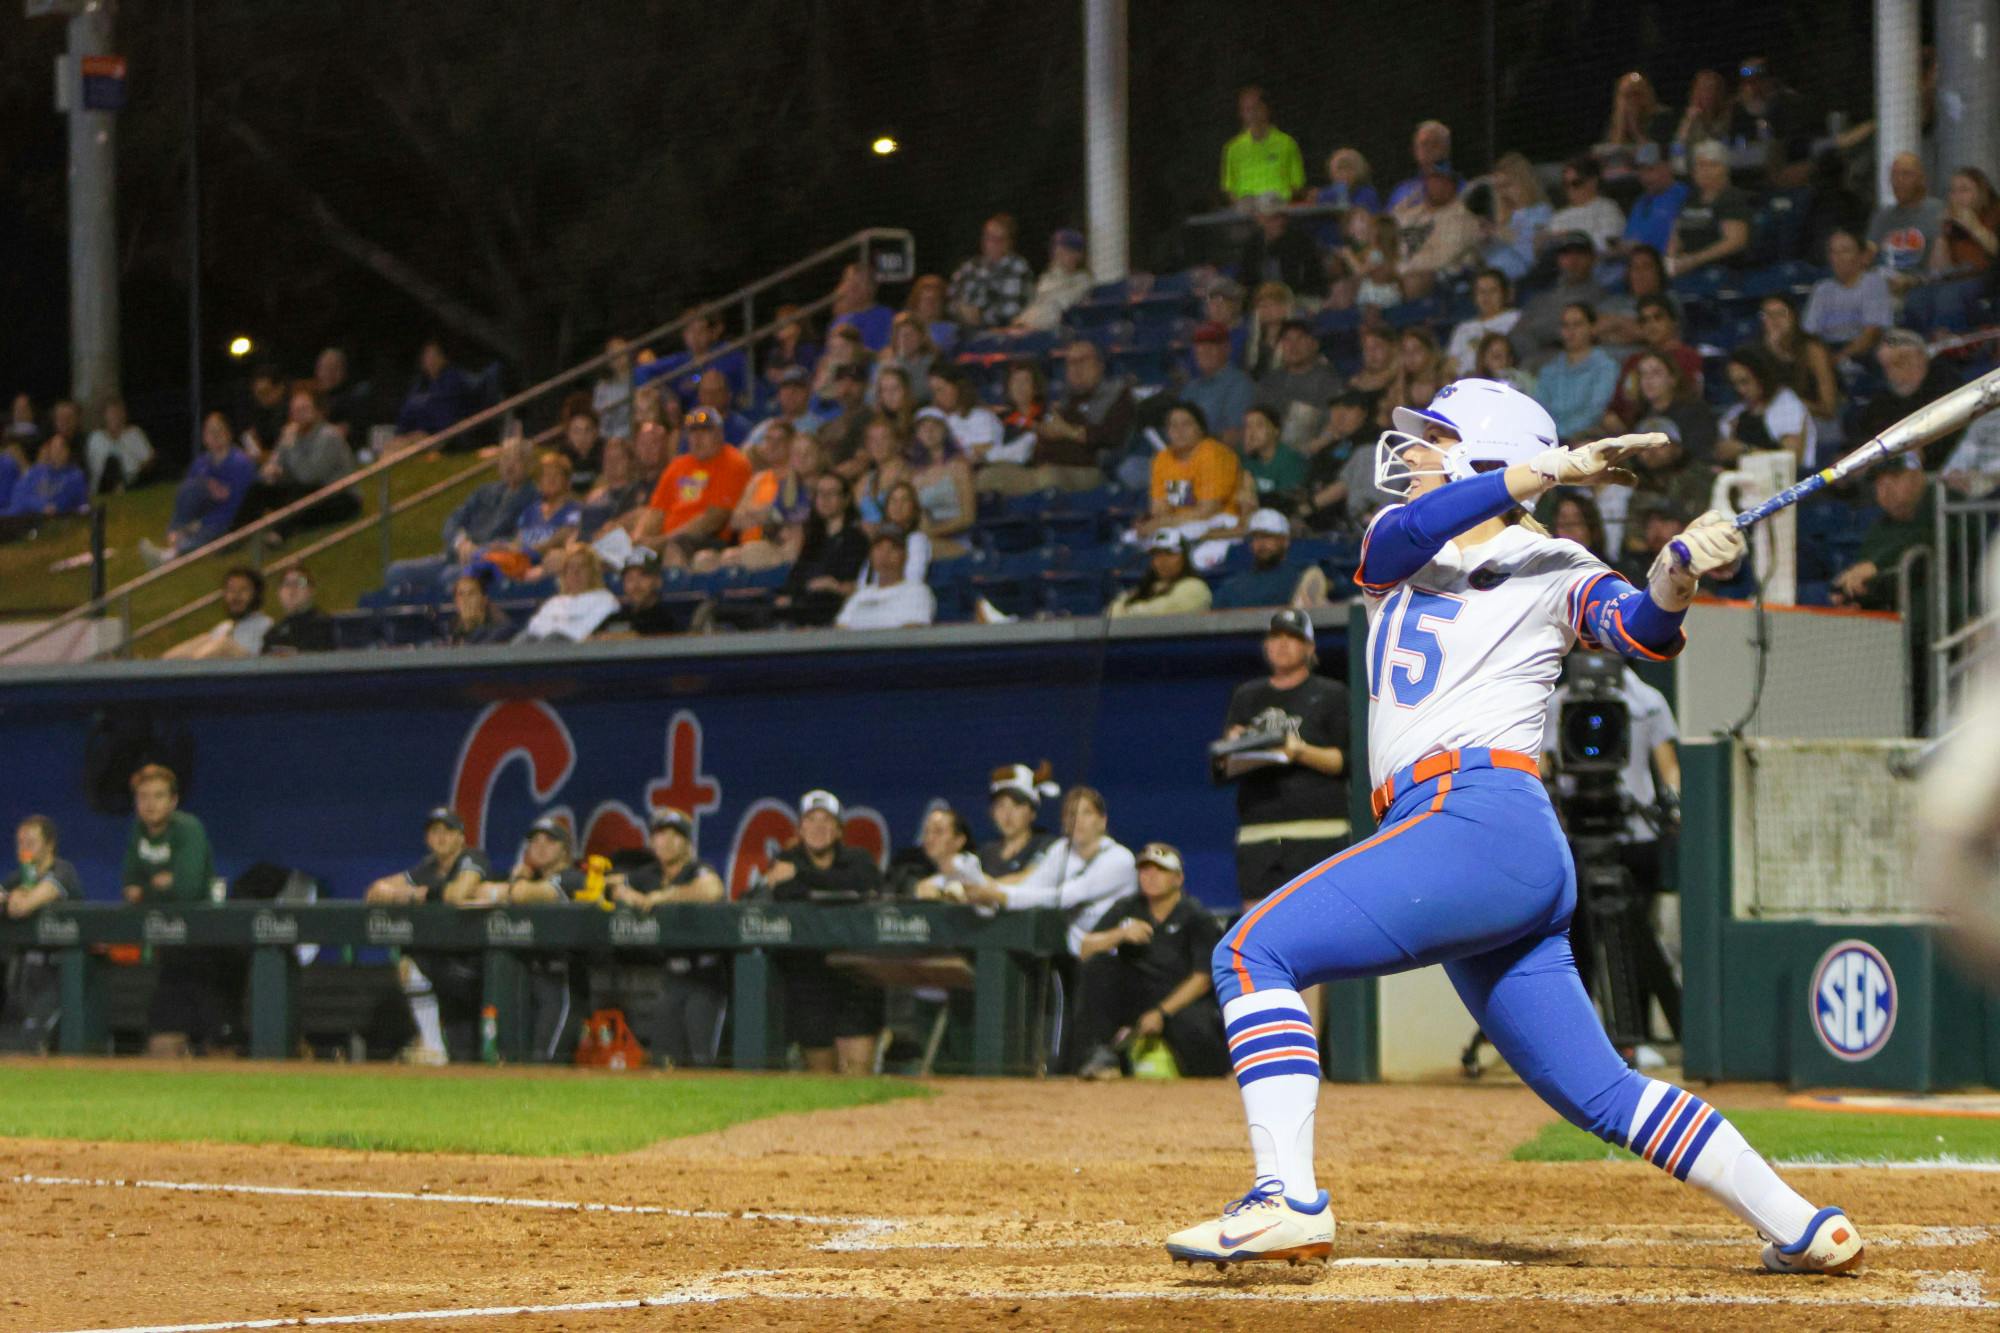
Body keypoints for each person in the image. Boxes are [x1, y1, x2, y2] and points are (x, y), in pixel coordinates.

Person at [1166, 377, 1863, 1279]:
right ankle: (1801, 1223)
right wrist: (1546, 471)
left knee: (1250, 950)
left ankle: (1287, 1199)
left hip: (1479, 817)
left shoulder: (1558, 561)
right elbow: (1414, 531)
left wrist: (1677, 573)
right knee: (1599, 1091)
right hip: (1468, 836)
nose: (1413, 452)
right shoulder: (1399, 541)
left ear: (1482, 453)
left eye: (1435, 438)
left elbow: (1639, 630)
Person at [1221, 607, 1350, 912]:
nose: (1282, 644)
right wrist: (1240, 746)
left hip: (1320, 829)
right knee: (1257, 920)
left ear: (1309, 648)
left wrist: (1298, 751)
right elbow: (1225, 765)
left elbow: (1343, 761)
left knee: (1322, 913)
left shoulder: (1332, 694)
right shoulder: (1246, 696)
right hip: (1259, 830)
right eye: (1275, 637)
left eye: (1292, 637)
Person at [1069, 842, 1230, 1080]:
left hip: (1178, 999)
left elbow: (1202, 978)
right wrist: (1120, 934)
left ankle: (1211, 1077)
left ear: (1178, 878)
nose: (1150, 876)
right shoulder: (1128, 907)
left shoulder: (1196, 916)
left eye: (1160, 870)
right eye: (1145, 870)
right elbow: (1086, 949)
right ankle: (1098, 1058)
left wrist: (1160, 1013)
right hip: (1137, 996)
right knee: (1098, 966)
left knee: (1194, 1024)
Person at [763, 789, 885, 1073]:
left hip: (856, 974)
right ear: (800, 828)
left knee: (857, 1071)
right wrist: (830, 885)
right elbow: (784, 890)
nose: (818, 827)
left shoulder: (858, 858)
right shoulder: (786, 859)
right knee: (822, 1075)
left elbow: (863, 882)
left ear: (839, 830)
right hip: (808, 977)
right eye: (811, 820)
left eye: (827, 820)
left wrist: (803, 877)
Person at [364, 807, 493, 1063]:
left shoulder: (472, 858)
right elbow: (375, 891)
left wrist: (418, 894)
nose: (441, 837)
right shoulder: (428, 867)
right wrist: (404, 893)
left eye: (448, 831)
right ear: (427, 838)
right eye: (435, 832)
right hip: (445, 962)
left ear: (460, 837)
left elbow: (459, 893)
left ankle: (437, 1048)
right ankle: (434, 1048)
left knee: (469, 1053)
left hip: (476, 964)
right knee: (408, 963)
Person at [610, 808, 728, 1069]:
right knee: (663, 1058)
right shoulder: (649, 874)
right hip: (672, 977)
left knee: (703, 1060)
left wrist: (665, 896)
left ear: (687, 843)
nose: (667, 841)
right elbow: (613, 884)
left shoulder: (696, 869)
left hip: (705, 976)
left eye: (676, 835)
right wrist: (626, 894)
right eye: (661, 834)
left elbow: (712, 889)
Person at [964, 786, 1138, 961]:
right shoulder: (1061, 850)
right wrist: (987, 893)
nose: (1077, 820)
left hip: (1115, 955)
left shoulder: (1119, 859)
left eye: (1086, 813)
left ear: (1102, 821)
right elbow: (1032, 886)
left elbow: (1064, 897)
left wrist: (1001, 896)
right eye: (1071, 814)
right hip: (1071, 954)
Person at [122, 764, 224, 1058]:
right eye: (143, 797)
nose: (150, 804)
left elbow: (188, 889)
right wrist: (161, 883)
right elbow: (129, 886)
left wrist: (149, 890)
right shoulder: (139, 831)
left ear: (173, 801)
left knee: (215, 1044)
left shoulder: (188, 828)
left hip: (207, 946)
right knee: (162, 1042)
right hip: (169, 949)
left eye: (158, 796)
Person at [980, 340, 1129, 495]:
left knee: (1047, 476)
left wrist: (1068, 432)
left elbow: (1111, 438)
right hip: (1034, 469)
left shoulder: (1114, 396)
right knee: (986, 476)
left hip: (1078, 468)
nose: (1076, 368)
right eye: (1071, 363)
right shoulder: (1063, 403)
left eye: (1083, 361)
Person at [231, 387, 359, 541]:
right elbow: (273, 464)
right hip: (306, 492)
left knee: (300, 493)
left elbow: (309, 476)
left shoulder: (328, 436)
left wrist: (291, 446)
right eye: (295, 411)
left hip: (338, 496)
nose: (298, 415)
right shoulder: (291, 433)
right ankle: (235, 535)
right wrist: (271, 471)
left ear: (317, 411)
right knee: (259, 489)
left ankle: (279, 535)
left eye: (304, 409)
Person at [636, 408, 752, 565]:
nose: (697, 438)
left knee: (675, 548)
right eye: (693, 432)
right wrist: (641, 540)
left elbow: (714, 519)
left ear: (719, 434)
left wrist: (663, 541)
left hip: (709, 540)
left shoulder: (734, 463)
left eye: (705, 431)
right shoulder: (678, 465)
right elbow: (656, 512)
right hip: (667, 541)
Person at [142, 412, 257, 566]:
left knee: (209, 533)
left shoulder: (241, 463)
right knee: (192, 487)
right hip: (204, 518)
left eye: (219, 430)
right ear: (204, 437)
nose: (215, 436)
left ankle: (169, 556)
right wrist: (176, 528)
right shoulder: (201, 463)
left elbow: (235, 507)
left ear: (229, 434)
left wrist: (201, 524)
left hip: (230, 522)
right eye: (210, 431)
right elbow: (185, 495)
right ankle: (176, 539)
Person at [1906, 166, 2000, 333]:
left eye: (1964, 190)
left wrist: (1974, 226)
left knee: (1949, 295)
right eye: (1953, 191)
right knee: (1917, 297)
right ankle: (1923, 343)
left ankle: (1949, 342)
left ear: (1981, 192)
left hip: (1989, 278)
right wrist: (1942, 234)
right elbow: (1938, 270)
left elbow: (1995, 250)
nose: (1957, 197)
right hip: (1959, 277)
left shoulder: (1996, 212)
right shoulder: (1954, 224)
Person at [1831, 456, 1931, 610]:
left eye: (1895, 478)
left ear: (1917, 479)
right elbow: (1866, 576)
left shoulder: (1944, 505)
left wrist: (1876, 566)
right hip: (1896, 617)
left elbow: (1929, 538)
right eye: (1880, 484)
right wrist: (1850, 594)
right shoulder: (1881, 526)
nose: (1887, 490)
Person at [1858, 330, 1964, 471]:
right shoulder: (1882, 402)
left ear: (1920, 357)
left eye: (1899, 363)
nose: (1893, 373)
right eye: (1887, 367)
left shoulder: (1947, 386)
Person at [1141, 402, 1242, 543]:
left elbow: (1208, 509)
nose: (1179, 431)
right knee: (1135, 538)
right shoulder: (1163, 458)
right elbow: (1159, 508)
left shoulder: (1213, 453)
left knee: (1173, 538)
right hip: (1180, 523)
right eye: (1173, 426)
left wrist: (1162, 523)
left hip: (1221, 521)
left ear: (1201, 429)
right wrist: (1159, 523)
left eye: (1186, 424)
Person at [1603, 297, 1704, 431]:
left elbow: (1688, 397)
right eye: (1644, 320)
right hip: (1629, 431)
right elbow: (1617, 404)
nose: (1651, 325)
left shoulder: (1688, 356)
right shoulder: (1633, 360)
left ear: (1673, 322)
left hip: (1673, 427)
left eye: (1658, 318)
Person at [1803, 230, 1893, 370]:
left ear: (1862, 256)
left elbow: (1871, 334)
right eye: (1833, 252)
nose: (1838, 258)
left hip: (1863, 353)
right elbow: (1810, 332)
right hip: (1826, 350)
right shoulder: (1822, 288)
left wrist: (1837, 358)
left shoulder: (1874, 283)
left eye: (1845, 251)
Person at [1513, 234, 1608, 367]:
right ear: (1559, 259)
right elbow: (1518, 332)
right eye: (1566, 254)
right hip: (1531, 358)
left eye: (1580, 254)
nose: (1573, 260)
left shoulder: (1600, 297)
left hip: (1570, 361)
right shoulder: (1543, 296)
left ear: (1592, 258)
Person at [1716, 346, 1814, 471]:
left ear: (1762, 377)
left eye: (1745, 382)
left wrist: (1745, 450)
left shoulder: (1788, 406)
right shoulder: (1737, 412)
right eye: (1735, 384)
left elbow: (1791, 460)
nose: (1740, 390)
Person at [1253, 321, 1343, 453]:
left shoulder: (1329, 382)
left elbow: (1337, 424)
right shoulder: (1269, 382)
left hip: (1313, 453)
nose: (1293, 346)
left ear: (1314, 344)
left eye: (1300, 339)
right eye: (1287, 340)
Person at [1534, 305, 1619, 442]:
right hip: (1551, 438)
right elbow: (1540, 408)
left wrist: (1560, 433)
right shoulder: (1549, 370)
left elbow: (1595, 410)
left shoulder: (1605, 366)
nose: (1571, 331)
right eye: (1565, 326)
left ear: (1592, 328)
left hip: (1587, 437)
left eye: (1577, 325)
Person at [1668, 141, 1752, 277]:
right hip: (1687, 269)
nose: (1706, 171)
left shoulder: (1732, 198)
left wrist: (1694, 260)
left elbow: (1736, 241)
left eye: (1712, 165)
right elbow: (1675, 236)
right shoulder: (1690, 200)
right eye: (1701, 165)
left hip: (1722, 270)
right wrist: (1670, 262)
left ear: (1725, 169)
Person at [1395, 166, 1480, 299]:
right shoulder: (1411, 213)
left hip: (1444, 281)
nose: (1435, 185)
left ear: (1452, 185)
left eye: (1441, 180)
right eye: (1431, 179)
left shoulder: (1464, 218)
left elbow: (1441, 259)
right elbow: (1388, 239)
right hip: (1401, 271)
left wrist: (1402, 266)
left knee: (1415, 280)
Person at [1758, 295, 1840, 427]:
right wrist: (1773, 352)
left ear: (1794, 317)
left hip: (1816, 418)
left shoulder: (1812, 350)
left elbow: (1829, 408)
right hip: (1777, 420)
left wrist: (1794, 404)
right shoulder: (1759, 351)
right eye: (1768, 315)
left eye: (1781, 314)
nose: (1774, 320)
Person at [161, 567, 273, 660]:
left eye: (243, 590)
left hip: (247, 675)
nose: (235, 596)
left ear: (256, 594)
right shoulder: (225, 627)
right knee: (202, 640)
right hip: (214, 675)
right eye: (231, 590)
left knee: (223, 645)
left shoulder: (265, 625)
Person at [835, 526, 935, 630]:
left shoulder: (917, 591)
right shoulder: (860, 595)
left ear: (905, 556)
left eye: (893, 548)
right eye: (879, 548)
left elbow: (913, 632)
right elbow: (840, 630)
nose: (884, 554)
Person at [1221, 86, 1305, 207]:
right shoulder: (1233, 148)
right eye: (1246, 110)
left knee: (1269, 201)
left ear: (1266, 109)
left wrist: (1281, 203)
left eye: (1255, 108)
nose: (1252, 114)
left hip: (1278, 207)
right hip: (1246, 210)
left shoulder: (1286, 143)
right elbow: (1229, 188)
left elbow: (1297, 183)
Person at [517, 543, 619, 643]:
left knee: (554, 638)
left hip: (576, 648)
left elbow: (584, 629)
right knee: (525, 639)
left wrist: (555, 627)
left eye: (582, 566)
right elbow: (534, 627)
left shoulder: (605, 599)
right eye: (571, 567)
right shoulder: (554, 602)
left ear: (592, 571)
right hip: (542, 645)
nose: (575, 572)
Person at [948, 214, 1035, 329]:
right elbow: (950, 296)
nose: (992, 243)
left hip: (999, 333)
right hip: (963, 329)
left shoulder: (1018, 268)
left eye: (999, 239)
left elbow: (1014, 310)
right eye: (988, 237)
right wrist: (960, 310)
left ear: (1009, 242)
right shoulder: (970, 266)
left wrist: (980, 317)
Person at [1868, 152, 1945, 282]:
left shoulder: (1939, 212)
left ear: (1921, 179)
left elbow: (1942, 269)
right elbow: (1868, 254)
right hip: (1883, 283)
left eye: (1906, 174)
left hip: (1922, 285)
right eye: (1894, 175)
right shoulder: (1882, 216)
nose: (1899, 180)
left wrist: (1912, 280)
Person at [1476, 153, 1551, 282]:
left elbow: (1533, 256)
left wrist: (1503, 235)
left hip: (1523, 280)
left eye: (1507, 185)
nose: (1503, 193)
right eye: (1498, 188)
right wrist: (1484, 242)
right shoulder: (1500, 219)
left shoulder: (1541, 211)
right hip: (1492, 279)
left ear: (1523, 183)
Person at [1181, 323, 1256, 450]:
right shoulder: (1191, 388)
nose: (1205, 351)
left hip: (1221, 457)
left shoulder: (1239, 384)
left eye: (1212, 345)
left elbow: (1236, 435)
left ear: (1227, 348)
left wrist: (1196, 442)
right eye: (1200, 345)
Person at [1213, 510, 1309, 609]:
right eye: (1256, 538)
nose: (1261, 544)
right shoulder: (1232, 586)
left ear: (1285, 541)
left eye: (1267, 537)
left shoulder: (1300, 579)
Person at [1109, 531, 1213, 619]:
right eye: (1157, 555)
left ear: (1184, 558)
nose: (1163, 560)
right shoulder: (1145, 589)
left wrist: (1127, 611)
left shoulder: (1195, 586)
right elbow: (1112, 612)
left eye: (1169, 554)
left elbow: (1165, 612)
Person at [0, 435, 88, 537]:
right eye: (53, 449)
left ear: (68, 451)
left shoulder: (75, 477)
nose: (56, 453)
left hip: (43, 525)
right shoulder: (37, 471)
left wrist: (37, 505)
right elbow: (19, 497)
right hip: (15, 517)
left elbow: (57, 506)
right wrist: (40, 505)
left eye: (60, 449)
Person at [1010, 228, 1093, 334]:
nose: (1058, 256)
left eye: (1064, 251)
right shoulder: (1049, 277)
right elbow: (1037, 301)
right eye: (1056, 251)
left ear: (1077, 254)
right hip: (1025, 326)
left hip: (1053, 330)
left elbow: (1059, 303)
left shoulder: (1082, 280)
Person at [393, 339, 479, 440]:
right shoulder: (420, 385)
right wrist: (402, 432)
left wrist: (426, 432)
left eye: (434, 356)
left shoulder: (453, 381)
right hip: (416, 435)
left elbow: (446, 416)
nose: (430, 361)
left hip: (442, 437)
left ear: (444, 358)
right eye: (427, 357)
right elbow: (406, 413)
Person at [1444, 270, 1521, 377]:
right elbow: (1451, 364)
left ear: (1504, 293)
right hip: (1465, 380)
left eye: (1493, 291)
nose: (1486, 296)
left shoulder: (1516, 318)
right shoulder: (1463, 328)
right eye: (1481, 291)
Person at [1546, 156, 1626, 255]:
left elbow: (1609, 243)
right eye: (1565, 184)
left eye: (1575, 183)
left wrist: (1570, 237)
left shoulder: (1608, 208)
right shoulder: (1559, 216)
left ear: (1593, 181)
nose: (1570, 189)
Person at [1619, 143, 1688, 256]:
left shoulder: (1683, 196)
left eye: (1651, 169)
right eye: (1641, 170)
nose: (1644, 177)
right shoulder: (1640, 202)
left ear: (1668, 167)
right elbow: (1628, 238)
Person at [594, 546, 678, 637]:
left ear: (658, 581)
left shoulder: (668, 618)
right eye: (630, 578)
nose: (636, 584)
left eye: (643, 576)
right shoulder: (616, 617)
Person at [1238, 412, 1306, 515]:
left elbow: (1289, 501)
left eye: (1259, 425)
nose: (1252, 432)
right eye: (1248, 426)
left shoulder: (1289, 459)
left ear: (1276, 430)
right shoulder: (1246, 459)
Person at [84, 397, 153, 493]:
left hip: (132, 481)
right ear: (104, 416)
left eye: (119, 412)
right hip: (105, 484)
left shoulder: (134, 433)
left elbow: (149, 459)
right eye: (112, 413)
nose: (116, 416)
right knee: (112, 462)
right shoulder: (95, 438)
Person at [261, 568, 336, 655]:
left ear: (311, 590)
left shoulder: (325, 626)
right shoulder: (273, 633)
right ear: (278, 592)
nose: (292, 589)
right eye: (287, 584)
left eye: (300, 583)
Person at [1386, 120, 1454, 214]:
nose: (1428, 149)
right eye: (1424, 144)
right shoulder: (1401, 191)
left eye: (1434, 144)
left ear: (1446, 150)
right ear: (1415, 150)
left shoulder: (1459, 188)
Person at [828, 263, 895, 352]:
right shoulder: (840, 319)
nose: (851, 287)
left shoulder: (884, 316)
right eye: (848, 281)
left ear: (872, 288)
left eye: (858, 284)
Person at [443, 570, 514, 647]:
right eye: (461, 594)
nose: (465, 600)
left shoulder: (500, 632)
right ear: (455, 601)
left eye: (471, 594)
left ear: (484, 599)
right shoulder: (447, 630)